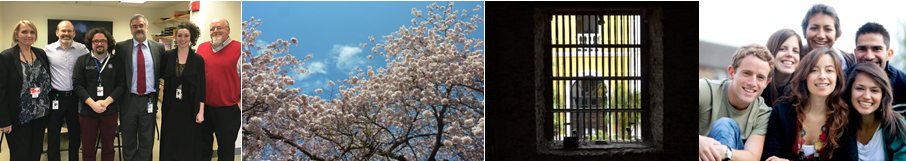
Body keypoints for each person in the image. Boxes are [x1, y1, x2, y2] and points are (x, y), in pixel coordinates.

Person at [763, 48, 857, 161]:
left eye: (829, 70)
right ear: (804, 76)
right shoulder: (781, 111)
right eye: (814, 70)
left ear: (838, 76)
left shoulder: (845, 116)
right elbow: (769, 158)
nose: (822, 76)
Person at [699, 44, 774, 161]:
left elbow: (753, 157)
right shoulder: (704, 90)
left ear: (767, 83)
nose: (752, 83)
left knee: (725, 126)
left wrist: (726, 152)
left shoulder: (762, 113)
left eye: (760, 77)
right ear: (731, 72)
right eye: (747, 73)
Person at [114, 14, 166, 161]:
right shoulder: (122, 47)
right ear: (131, 29)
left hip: (149, 100)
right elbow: (118, 73)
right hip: (128, 100)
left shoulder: (159, 48)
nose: (138, 29)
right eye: (135, 26)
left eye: (141, 25)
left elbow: (162, 72)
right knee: (128, 138)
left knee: (147, 138)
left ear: (147, 28)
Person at [0, 20, 52, 160]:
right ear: (16, 35)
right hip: (18, 116)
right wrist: (4, 120)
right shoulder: (6, 56)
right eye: (24, 32)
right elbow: (1, 91)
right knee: (20, 154)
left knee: (36, 152)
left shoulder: (40, 53)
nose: (29, 35)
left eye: (32, 32)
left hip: (40, 114)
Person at [73, 27, 125, 161]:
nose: (99, 44)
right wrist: (93, 104)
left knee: (108, 147)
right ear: (91, 43)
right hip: (87, 111)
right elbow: (77, 85)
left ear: (108, 43)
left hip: (110, 110)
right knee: (87, 148)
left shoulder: (117, 61)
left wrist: (106, 102)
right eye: (96, 41)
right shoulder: (82, 60)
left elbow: (121, 85)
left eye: (103, 41)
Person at [160, 21, 206, 161]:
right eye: (179, 35)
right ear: (175, 37)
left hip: (190, 107)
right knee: (170, 141)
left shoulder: (198, 60)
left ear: (191, 37)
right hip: (170, 107)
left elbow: (202, 86)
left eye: (186, 35)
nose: (183, 39)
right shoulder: (167, 56)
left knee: (188, 142)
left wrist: (201, 111)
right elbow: (160, 76)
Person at [44, 20, 88, 161]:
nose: (66, 33)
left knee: (75, 133)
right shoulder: (47, 50)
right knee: (53, 133)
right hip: (56, 97)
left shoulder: (82, 49)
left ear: (74, 33)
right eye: (63, 30)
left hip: (76, 97)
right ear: (57, 33)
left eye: (69, 31)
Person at [198, 17, 241, 161]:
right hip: (204, 108)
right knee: (203, 147)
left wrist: (240, 105)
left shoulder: (240, 49)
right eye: (212, 29)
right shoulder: (201, 48)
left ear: (228, 30)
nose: (215, 31)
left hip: (228, 110)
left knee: (226, 149)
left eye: (219, 28)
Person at [844, 63, 906, 160]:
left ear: (883, 95)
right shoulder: (839, 124)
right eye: (860, 88)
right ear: (850, 91)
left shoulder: (896, 126)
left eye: (874, 90)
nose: (866, 96)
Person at [852, 22, 906, 106]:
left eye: (877, 49)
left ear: (889, 54)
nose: (869, 56)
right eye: (862, 49)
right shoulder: (844, 82)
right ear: (855, 53)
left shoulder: (903, 83)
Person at [800, 3, 855, 70]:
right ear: (804, 32)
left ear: (836, 34)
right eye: (814, 28)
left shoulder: (849, 62)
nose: (821, 36)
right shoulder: (795, 58)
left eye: (828, 29)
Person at [762, 29, 803, 106]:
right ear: (770, 52)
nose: (790, 54)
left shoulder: (802, 91)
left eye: (795, 51)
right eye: (782, 49)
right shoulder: (758, 84)